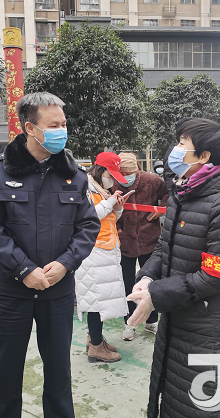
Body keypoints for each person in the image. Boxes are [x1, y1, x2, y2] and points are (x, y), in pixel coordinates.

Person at [0, 92, 100, 418]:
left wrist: (66, 263)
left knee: (59, 373)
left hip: (58, 291)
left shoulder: (74, 175)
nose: (62, 131)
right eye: (53, 125)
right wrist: (24, 268)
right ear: (30, 127)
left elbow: (88, 225)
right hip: (12, 291)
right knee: (5, 372)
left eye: (64, 124)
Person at [128, 118, 220, 417]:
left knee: (208, 405)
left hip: (209, 328)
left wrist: (157, 295)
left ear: (204, 156)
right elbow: (164, 247)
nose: (175, 150)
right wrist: (148, 277)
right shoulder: (183, 194)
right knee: (174, 398)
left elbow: (216, 274)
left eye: (182, 144)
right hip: (179, 317)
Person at [75, 152, 130, 363]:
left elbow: (109, 218)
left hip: (104, 249)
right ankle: (96, 348)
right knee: (96, 302)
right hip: (93, 251)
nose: (112, 180)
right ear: (100, 170)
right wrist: (110, 202)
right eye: (110, 174)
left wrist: (118, 206)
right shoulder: (84, 188)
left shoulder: (100, 190)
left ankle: (94, 340)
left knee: (100, 300)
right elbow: (88, 216)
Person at [113, 152, 169, 341]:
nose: (126, 177)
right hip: (125, 240)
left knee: (150, 281)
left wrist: (160, 211)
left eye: (129, 173)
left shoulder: (151, 180)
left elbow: (167, 193)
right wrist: (118, 230)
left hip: (149, 237)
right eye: (122, 174)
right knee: (127, 283)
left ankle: (151, 321)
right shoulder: (113, 184)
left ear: (137, 169)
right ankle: (129, 323)